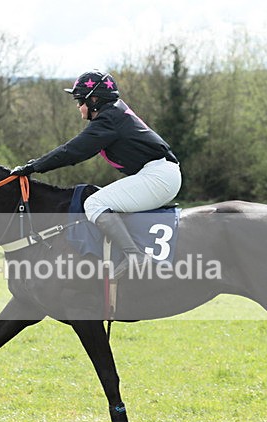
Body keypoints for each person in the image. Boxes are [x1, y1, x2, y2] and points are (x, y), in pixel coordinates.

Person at [12, 70, 181, 273]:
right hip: (159, 174)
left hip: (159, 177)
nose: (77, 106)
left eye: (80, 100)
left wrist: (33, 166)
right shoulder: (113, 114)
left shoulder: (109, 119)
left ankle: (134, 256)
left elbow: (72, 151)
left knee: (94, 203)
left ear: (94, 100)